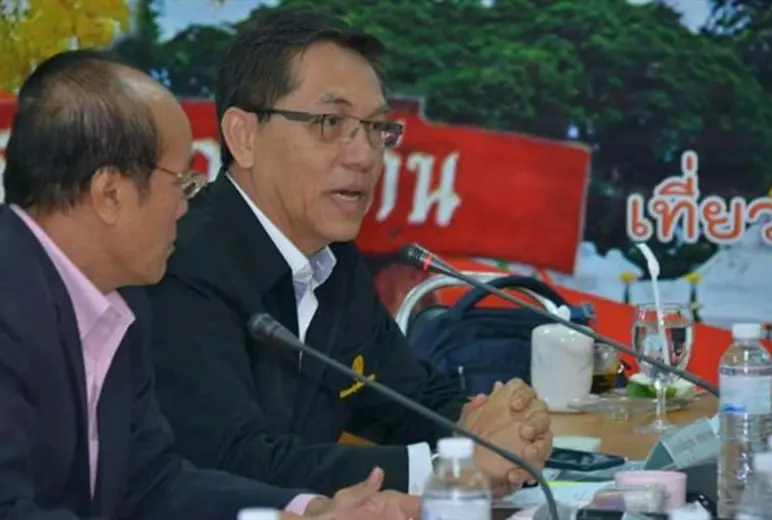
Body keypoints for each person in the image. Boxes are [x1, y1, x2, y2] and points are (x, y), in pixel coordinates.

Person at [147, 8, 553, 499]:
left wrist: (495, 426)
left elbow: (411, 396)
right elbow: (232, 461)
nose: (363, 156)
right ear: (244, 136)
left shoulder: (332, 260)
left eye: (377, 128)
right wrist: (451, 466)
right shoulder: (181, 263)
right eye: (330, 122)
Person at [0, 49, 417, 520]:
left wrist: (309, 511)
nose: (185, 208)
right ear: (109, 194)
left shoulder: (120, 302)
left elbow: (153, 484)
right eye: (180, 183)